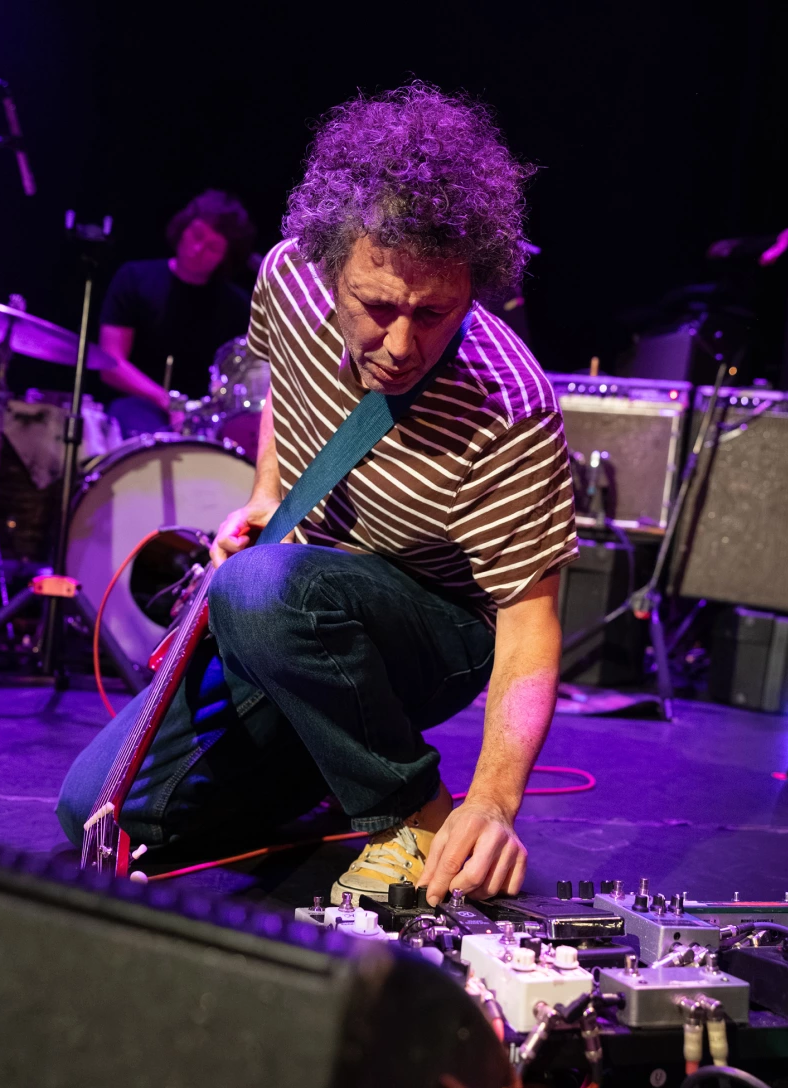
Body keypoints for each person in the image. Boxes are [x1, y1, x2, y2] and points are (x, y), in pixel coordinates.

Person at [58, 83, 577, 908]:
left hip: (431, 632)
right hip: (297, 601)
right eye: (376, 306)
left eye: (435, 313)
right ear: (329, 264)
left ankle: (414, 815)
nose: (402, 345)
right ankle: (324, 758)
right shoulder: (284, 280)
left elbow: (529, 621)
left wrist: (493, 800)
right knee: (100, 810)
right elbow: (285, 392)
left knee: (260, 590)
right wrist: (270, 493)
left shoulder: (511, 401)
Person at [98, 189, 255, 436]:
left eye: (212, 247)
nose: (197, 249)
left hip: (206, 419)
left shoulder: (237, 305)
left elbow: (242, 378)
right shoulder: (135, 278)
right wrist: (167, 401)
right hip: (138, 404)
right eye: (196, 235)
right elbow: (110, 363)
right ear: (182, 229)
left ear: (226, 257)